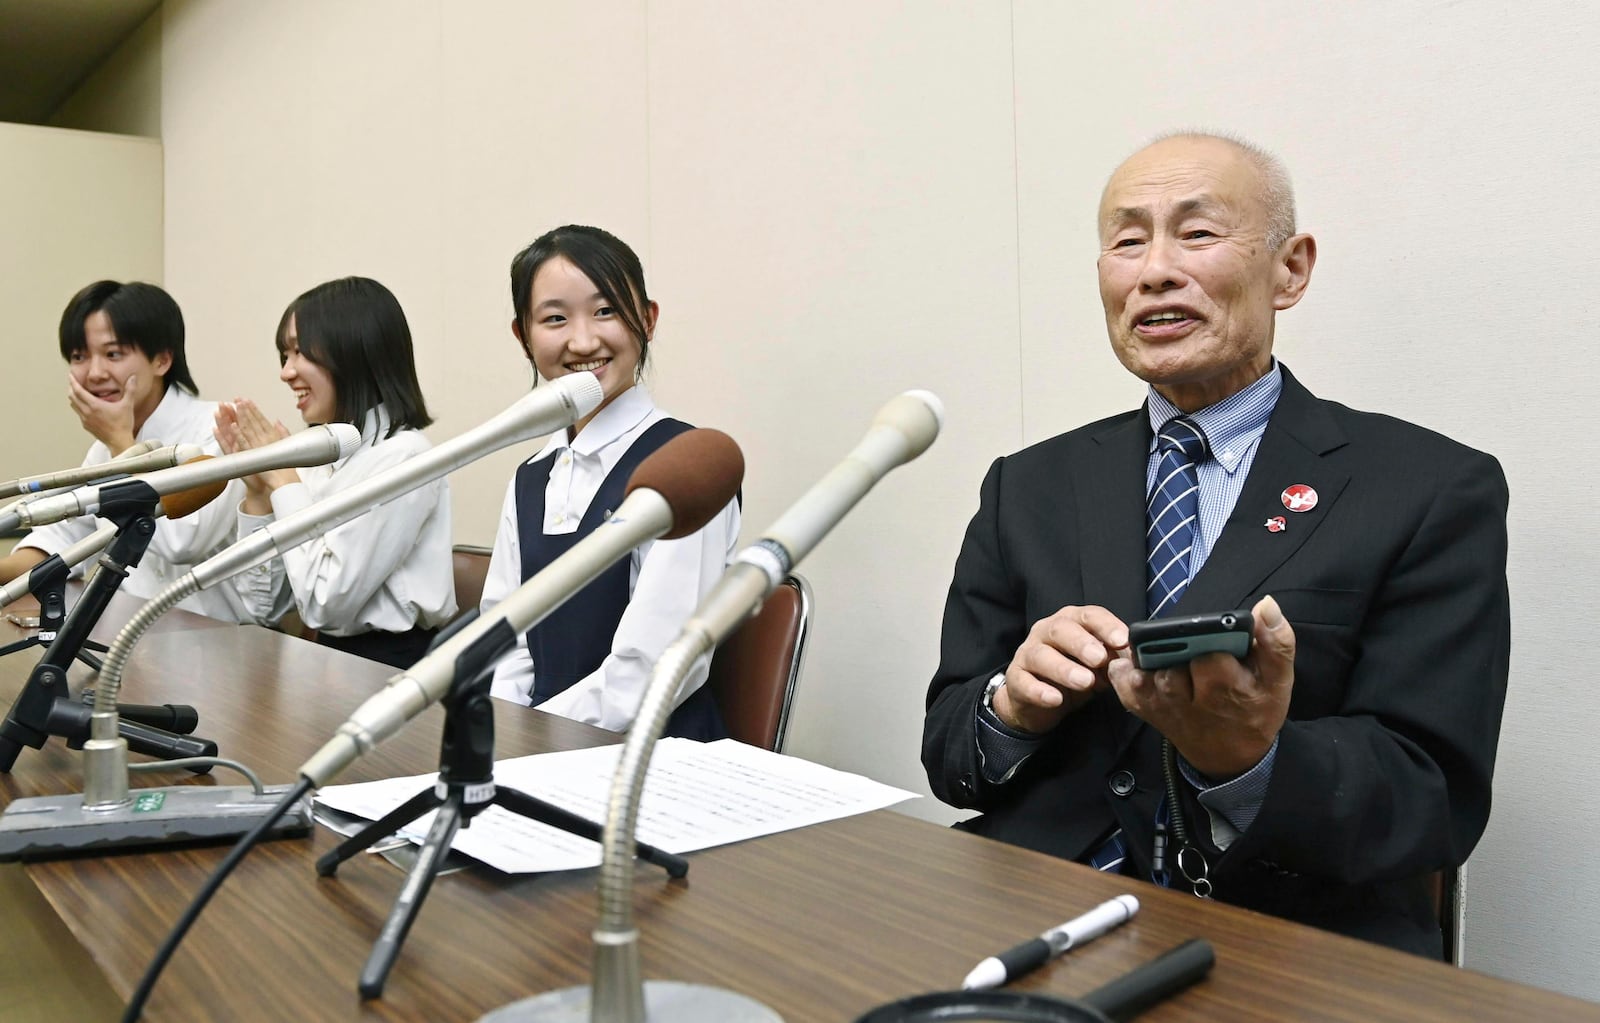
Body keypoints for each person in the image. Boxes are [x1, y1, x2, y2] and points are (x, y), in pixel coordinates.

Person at [921, 133, 1510, 958]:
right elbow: (950, 753)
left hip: (1288, 939)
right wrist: (1011, 708)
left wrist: (1249, 760)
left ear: (1290, 269)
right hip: (1035, 912)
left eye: (1196, 234)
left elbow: (1432, 800)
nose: (1155, 269)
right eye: (1127, 240)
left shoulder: (1427, 487)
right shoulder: (1028, 485)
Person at [481, 225, 739, 738]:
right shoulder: (531, 477)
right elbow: (503, 640)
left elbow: (651, 669)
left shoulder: (686, 469)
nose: (583, 340)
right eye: (555, 318)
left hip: (652, 762)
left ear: (647, 318)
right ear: (523, 336)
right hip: (536, 758)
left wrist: (532, 741)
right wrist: (502, 735)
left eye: (606, 311)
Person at [214, 277, 455, 668]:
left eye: (298, 352)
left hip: (392, 667)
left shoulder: (405, 457)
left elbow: (325, 605)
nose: (286, 372)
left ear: (354, 351)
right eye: (284, 355)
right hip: (323, 662)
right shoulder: (318, 457)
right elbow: (263, 607)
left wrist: (283, 481)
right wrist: (259, 495)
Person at [0, 281, 252, 621]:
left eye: (113, 354)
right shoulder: (104, 446)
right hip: (132, 636)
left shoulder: (218, 427)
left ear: (162, 360)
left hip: (218, 642)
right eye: (79, 356)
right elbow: (62, 537)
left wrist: (121, 442)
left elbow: (182, 541)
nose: (94, 373)